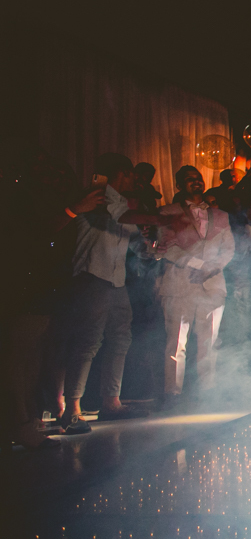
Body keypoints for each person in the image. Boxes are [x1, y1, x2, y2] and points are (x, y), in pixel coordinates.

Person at [1, 145, 105, 447]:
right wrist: (74, 210)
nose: (51, 175)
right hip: (24, 280)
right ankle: (20, 423)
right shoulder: (19, 197)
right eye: (42, 167)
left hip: (49, 281)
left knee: (36, 352)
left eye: (57, 171)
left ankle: (30, 419)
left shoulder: (50, 199)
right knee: (20, 352)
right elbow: (35, 234)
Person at [57, 153, 168, 432]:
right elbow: (120, 217)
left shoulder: (124, 205)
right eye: (131, 175)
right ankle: (72, 410)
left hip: (116, 280)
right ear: (122, 173)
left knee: (120, 339)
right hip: (92, 275)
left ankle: (111, 402)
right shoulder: (98, 197)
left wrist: (153, 249)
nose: (134, 180)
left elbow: (134, 244)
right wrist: (162, 217)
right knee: (88, 342)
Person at [155, 166, 236, 400]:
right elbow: (168, 248)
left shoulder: (221, 215)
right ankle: (172, 392)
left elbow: (229, 248)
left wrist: (212, 269)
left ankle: (207, 392)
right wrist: (200, 267)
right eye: (189, 180)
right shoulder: (167, 212)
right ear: (180, 186)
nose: (196, 182)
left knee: (209, 342)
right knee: (176, 342)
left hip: (213, 285)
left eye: (198, 178)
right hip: (180, 285)